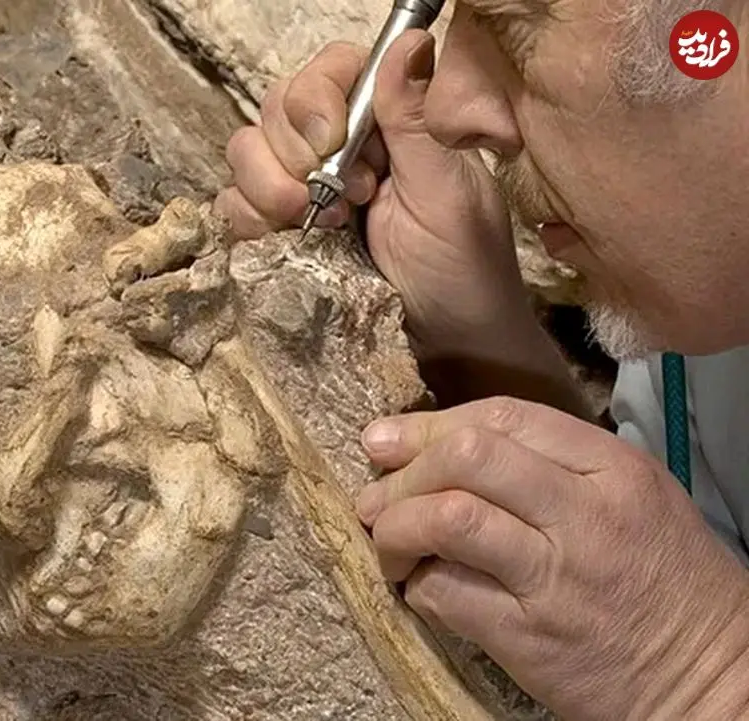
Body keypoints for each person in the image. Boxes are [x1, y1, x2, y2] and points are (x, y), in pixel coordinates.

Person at [214, 3, 749, 719]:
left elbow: (690, 626)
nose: (447, 110)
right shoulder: (710, 308)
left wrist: (707, 676)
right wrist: (477, 345)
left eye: (512, 29)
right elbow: (681, 551)